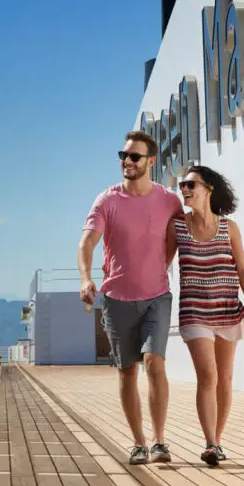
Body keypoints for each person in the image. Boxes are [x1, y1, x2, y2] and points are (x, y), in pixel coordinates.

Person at [78, 130, 183, 465]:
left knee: (155, 362)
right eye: (123, 156)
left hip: (157, 296)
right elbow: (87, 243)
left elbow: (178, 238)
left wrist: (161, 268)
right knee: (127, 371)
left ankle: (159, 441)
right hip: (116, 298)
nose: (127, 162)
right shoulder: (106, 201)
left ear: (151, 161)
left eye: (134, 157)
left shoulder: (169, 200)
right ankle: (138, 442)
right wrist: (85, 278)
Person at [166, 165, 244, 466]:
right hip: (194, 312)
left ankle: (217, 441)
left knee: (225, 379)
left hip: (228, 310)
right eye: (182, 185)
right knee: (207, 375)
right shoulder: (177, 226)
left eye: (191, 184)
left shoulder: (229, 227)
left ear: (209, 189)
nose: (185, 190)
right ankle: (209, 442)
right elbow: (162, 264)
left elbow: (243, 269)